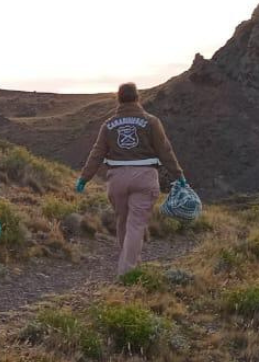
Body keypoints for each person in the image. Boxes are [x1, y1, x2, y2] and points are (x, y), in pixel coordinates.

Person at [74, 82, 185, 275]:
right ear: (137, 97)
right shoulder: (151, 122)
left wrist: (84, 178)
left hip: (117, 179)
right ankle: (127, 271)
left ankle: (128, 262)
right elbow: (165, 150)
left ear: (118, 98)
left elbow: (97, 153)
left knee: (123, 221)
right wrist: (179, 175)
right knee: (136, 225)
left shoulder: (108, 125)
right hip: (144, 177)